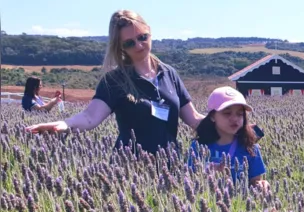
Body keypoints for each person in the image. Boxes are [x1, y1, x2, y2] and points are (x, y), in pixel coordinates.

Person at [25, 10, 204, 155]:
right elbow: (90, 117)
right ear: (119, 47)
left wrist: (228, 118)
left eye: (143, 37)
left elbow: (194, 119)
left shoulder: (169, 74)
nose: (139, 45)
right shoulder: (114, 81)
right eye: (129, 43)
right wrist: (65, 125)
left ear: (150, 31)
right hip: (128, 171)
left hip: (170, 168)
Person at [188, 86, 269, 190]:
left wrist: (262, 185)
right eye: (227, 113)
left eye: (240, 114)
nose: (234, 119)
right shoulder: (198, 147)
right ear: (212, 116)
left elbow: (255, 182)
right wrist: (207, 173)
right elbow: (189, 180)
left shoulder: (250, 147)